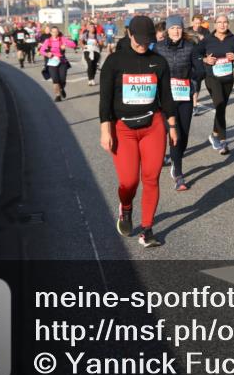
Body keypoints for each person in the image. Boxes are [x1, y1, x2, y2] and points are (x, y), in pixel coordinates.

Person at [98, 15, 178, 248]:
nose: (143, 45)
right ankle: (126, 207)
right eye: (138, 40)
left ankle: (147, 229)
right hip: (123, 128)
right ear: (129, 35)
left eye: (147, 40)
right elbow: (105, 101)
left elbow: (166, 98)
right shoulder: (114, 62)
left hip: (152, 126)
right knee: (129, 182)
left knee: (151, 178)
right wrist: (106, 130)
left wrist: (172, 125)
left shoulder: (159, 62)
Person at [155, 16, 205, 191]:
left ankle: (176, 158)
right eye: (172, 28)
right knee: (173, 133)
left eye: (178, 27)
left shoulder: (191, 47)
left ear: (182, 30)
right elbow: (153, 68)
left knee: (183, 135)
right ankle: (178, 173)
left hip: (184, 96)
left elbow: (200, 70)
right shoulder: (159, 48)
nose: (175, 31)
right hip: (166, 98)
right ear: (167, 30)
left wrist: (192, 79)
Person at [199, 14, 234, 155]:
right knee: (219, 104)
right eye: (219, 22)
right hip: (212, 78)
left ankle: (214, 134)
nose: (222, 25)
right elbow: (196, 55)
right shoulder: (207, 40)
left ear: (228, 24)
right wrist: (205, 60)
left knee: (221, 107)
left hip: (228, 78)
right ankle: (223, 140)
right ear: (215, 24)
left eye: (225, 22)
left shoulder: (233, 39)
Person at [38, 26, 77, 102]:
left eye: (56, 32)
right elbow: (41, 51)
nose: (55, 33)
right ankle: (58, 96)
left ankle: (62, 88)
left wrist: (65, 45)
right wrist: (47, 54)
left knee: (62, 79)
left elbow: (73, 45)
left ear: (58, 32)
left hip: (62, 61)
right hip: (52, 62)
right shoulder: (47, 41)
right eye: (53, 32)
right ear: (51, 32)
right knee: (55, 80)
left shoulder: (62, 39)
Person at [189, 14, 211, 115]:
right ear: (192, 22)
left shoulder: (205, 32)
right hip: (187, 59)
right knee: (190, 82)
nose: (197, 25)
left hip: (200, 60)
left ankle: (194, 105)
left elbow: (210, 45)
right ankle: (192, 104)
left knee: (196, 83)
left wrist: (204, 40)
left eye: (199, 23)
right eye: (196, 23)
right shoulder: (187, 31)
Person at [81, 21, 103, 86]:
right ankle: (90, 79)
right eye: (91, 27)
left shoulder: (97, 35)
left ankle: (92, 78)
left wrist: (98, 43)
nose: (92, 28)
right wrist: (83, 45)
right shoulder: (85, 35)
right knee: (90, 63)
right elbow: (80, 41)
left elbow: (102, 43)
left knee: (94, 65)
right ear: (88, 29)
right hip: (87, 50)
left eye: (93, 27)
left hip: (95, 51)